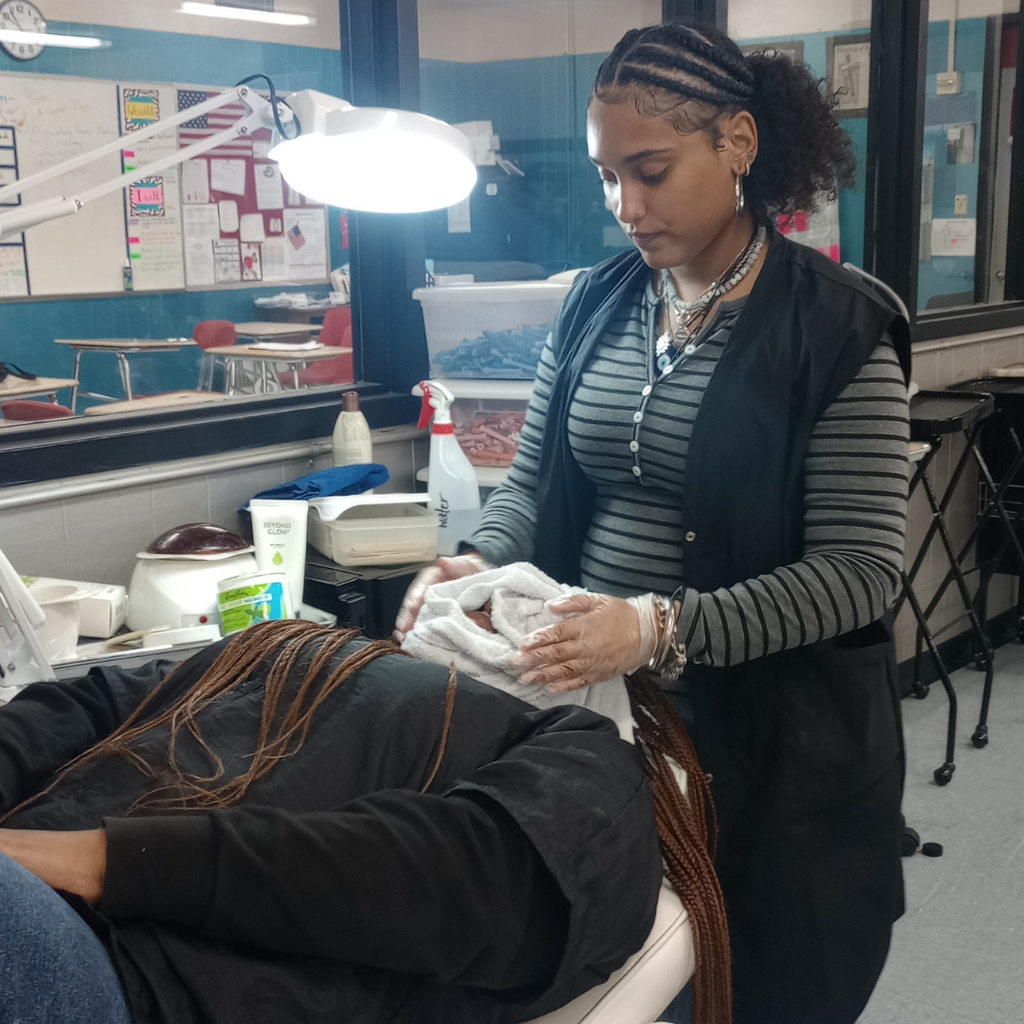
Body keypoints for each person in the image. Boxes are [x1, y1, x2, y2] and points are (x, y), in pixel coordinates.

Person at [397, 21, 911, 1024]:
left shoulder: (837, 330)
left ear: (737, 146)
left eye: (651, 170)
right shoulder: (596, 304)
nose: (624, 206)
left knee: (766, 984)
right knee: (620, 983)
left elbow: (859, 572)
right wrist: (475, 557)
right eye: (605, 176)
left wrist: (658, 625)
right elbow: (529, 485)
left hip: (773, 757)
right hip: (606, 734)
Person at [0, 621, 664, 1024]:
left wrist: (100, 861)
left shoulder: (592, 755)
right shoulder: (277, 648)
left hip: (129, 975)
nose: (490, 614)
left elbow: (462, 883)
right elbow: (90, 702)